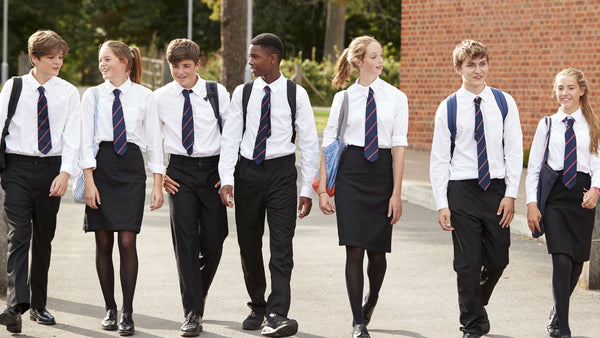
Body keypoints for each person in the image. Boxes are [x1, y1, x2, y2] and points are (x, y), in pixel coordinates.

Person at [217, 33, 319, 337]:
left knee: (281, 245)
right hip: (248, 173)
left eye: (255, 57)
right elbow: (231, 138)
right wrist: (227, 178)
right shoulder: (243, 93)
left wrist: (307, 189)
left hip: (282, 175)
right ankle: (258, 305)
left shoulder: (295, 94)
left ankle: (277, 312)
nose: (250, 62)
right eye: (250, 57)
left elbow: (310, 143)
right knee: (248, 244)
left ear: (273, 58)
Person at [429, 40, 523, 338]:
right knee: (467, 263)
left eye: (482, 64)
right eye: (471, 65)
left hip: (495, 189)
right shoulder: (449, 107)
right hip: (462, 189)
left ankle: (474, 300)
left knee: (498, 258)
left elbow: (515, 151)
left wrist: (510, 194)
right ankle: (472, 323)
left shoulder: (504, 102)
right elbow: (440, 159)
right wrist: (442, 203)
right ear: (459, 68)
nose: (478, 70)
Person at [317, 36, 407, 338]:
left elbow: (398, 146)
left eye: (381, 55)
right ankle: (357, 320)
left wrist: (396, 193)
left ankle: (372, 299)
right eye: (373, 56)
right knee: (353, 249)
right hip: (351, 173)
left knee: (377, 253)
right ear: (358, 62)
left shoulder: (396, 97)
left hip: (381, 173)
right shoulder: (343, 98)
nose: (380, 61)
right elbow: (329, 142)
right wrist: (322, 190)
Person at [79, 40, 164, 336]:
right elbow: (84, 140)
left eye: (107, 60)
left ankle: (128, 311)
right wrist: (88, 181)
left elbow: (155, 142)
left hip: (130, 168)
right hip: (100, 169)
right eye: (100, 60)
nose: (102, 65)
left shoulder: (145, 96)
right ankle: (109, 309)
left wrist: (157, 184)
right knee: (103, 243)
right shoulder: (92, 96)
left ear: (125, 62)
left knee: (128, 242)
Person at [0, 30, 80, 334]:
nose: (58, 62)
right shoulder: (14, 86)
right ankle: (15, 308)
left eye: (60, 57)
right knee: (18, 235)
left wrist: (65, 173)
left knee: (43, 239)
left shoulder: (69, 92)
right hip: (17, 168)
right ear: (35, 58)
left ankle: (39, 305)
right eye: (51, 57)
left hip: (52, 170)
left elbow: (73, 136)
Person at [154, 38, 230, 337]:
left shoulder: (216, 92)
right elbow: (153, 139)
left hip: (212, 171)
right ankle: (192, 312)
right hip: (180, 173)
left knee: (214, 241)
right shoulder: (160, 97)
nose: (181, 72)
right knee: (184, 244)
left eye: (186, 66)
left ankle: (197, 294)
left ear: (198, 65)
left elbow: (231, 133)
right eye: (175, 66)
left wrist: (226, 174)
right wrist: (160, 175)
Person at [525, 68, 599, 338]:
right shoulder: (547, 125)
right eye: (559, 88)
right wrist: (532, 203)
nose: (564, 93)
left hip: (581, 197)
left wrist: (595, 189)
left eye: (570, 88)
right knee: (561, 260)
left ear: (581, 90)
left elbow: (597, 163)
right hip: (555, 198)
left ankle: (557, 312)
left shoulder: (592, 125)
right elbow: (533, 168)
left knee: (577, 261)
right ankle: (563, 327)